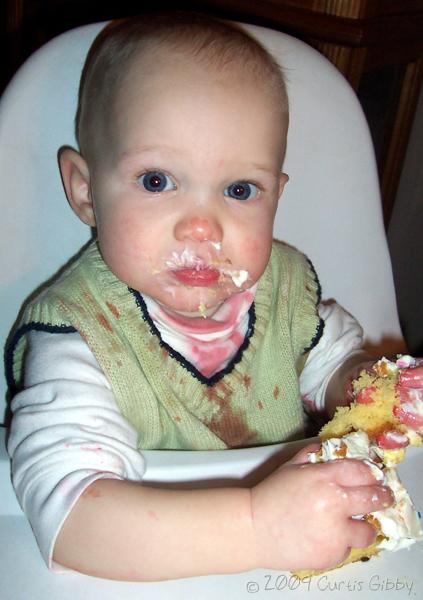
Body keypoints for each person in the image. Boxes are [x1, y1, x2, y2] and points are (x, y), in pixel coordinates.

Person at [6, 12, 397, 581]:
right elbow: (68, 523)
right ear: (86, 192)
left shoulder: (284, 293)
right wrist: (259, 528)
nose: (202, 227)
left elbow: (330, 365)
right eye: (157, 181)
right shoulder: (79, 333)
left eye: (240, 190)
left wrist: (374, 386)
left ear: (277, 195)